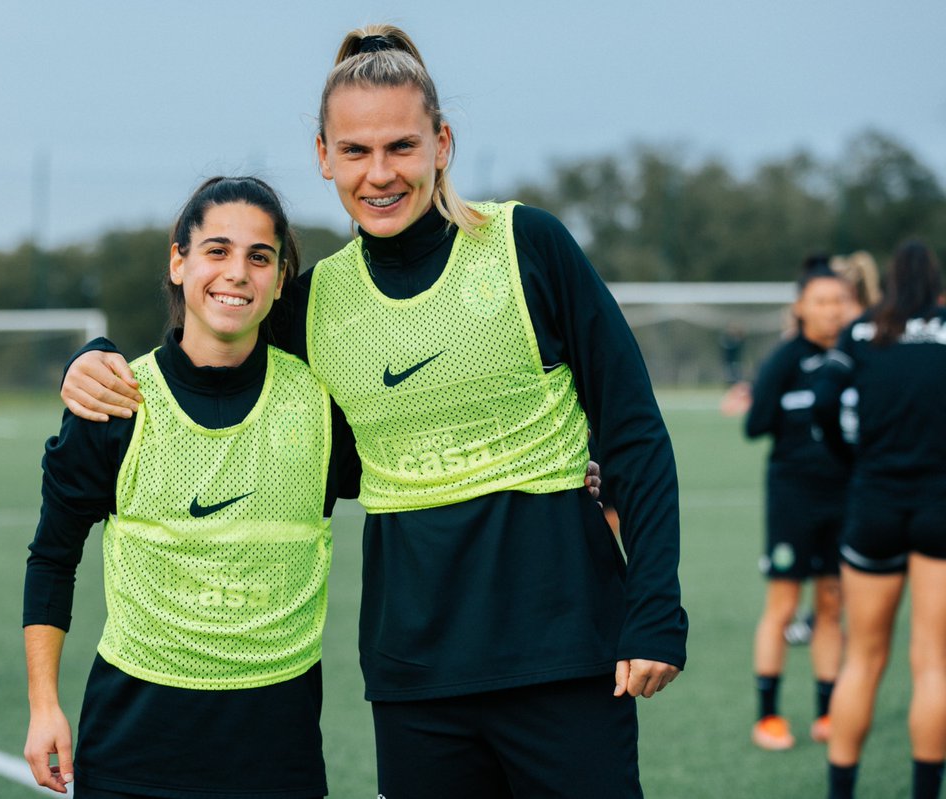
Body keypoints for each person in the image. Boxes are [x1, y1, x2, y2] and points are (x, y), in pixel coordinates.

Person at [61, 25, 686, 797]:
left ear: (442, 144)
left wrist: (655, 607)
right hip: (414, 678)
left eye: (401, 146)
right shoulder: (315, 299)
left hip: (564, 654)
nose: (379, 173)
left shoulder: (528, 246)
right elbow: (208, 341)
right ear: (324, 157)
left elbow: (634, 430)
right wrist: (90, 354)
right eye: (355, 151)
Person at [23, 176, 361, 798]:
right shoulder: (116, 401)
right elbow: (52, 556)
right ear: (178, 262)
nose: (237, 272)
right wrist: (44, 706)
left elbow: (420, 477)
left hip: (276, 762)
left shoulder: (325, 406)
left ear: (280, 280)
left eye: (260, 257)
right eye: (216, 250)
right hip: (132, 756)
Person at [812, 239, 946, 799]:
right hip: (941, 506)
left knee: (862, 659)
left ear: (890, 282)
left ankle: (842, 792)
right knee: (933, 662)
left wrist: (852, 459)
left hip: (874, 504)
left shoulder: (865, 330)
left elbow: (822, 400)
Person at [742, 256, 852, 750]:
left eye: (839, 302)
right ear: (801, 308)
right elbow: (755, 425)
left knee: (830, 605)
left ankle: (828, 715)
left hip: (847, 498)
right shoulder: (785, 359)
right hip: (792, 498)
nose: (832, 311)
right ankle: (768, 717)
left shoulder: (856, 356)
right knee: (783, 606)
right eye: (822, 302)